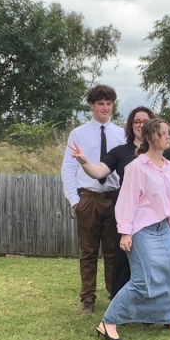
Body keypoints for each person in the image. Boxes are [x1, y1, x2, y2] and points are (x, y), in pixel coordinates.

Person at [69, 106, 170, 293]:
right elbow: (98, 172)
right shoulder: (120, 151)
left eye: (145, 121)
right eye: (136, 121)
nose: (140, 125)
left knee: (156, 263)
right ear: (131, 125)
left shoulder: (166, 153)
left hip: (155, 220)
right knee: (122, 260)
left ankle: (152, 300)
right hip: (127, 215)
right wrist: (84, 161)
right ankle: (120, 299)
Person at [96, 119, 170, 340]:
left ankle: (168, 317)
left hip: (164, 227)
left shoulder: (168, 166)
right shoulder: (136, 167)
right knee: (143, 280)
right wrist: (125, 232)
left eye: (168, 132)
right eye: (162, 133)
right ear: (149, 137)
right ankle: (108, 322)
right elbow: (127, 201)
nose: (168, 136)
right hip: (141, 229)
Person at [61, 85, 126, 315]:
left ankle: (115, 296)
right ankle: (87, 298)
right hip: (88, 197)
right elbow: (68, 168)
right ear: (91, 105)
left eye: (109, 103)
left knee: (113, 252)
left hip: (113, 197)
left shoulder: (121, 133)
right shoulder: (79, 133)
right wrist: (74, 200)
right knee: (88, 251)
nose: (105, 108)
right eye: (101, 103)